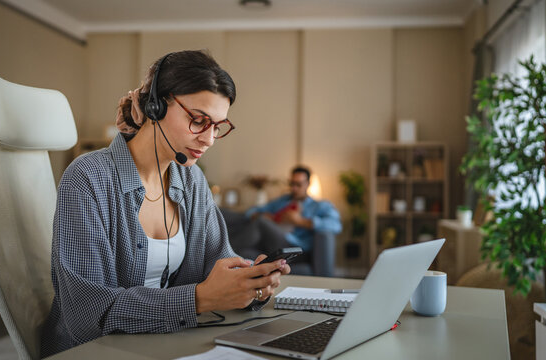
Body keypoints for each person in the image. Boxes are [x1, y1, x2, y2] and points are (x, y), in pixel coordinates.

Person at [41, 50, 291, 357]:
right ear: (156, 105)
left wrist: (250, 285)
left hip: (164, 345)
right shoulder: (88, 178)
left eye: (217, 126)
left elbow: (220, 263)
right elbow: (87, 314)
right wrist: (198, 299)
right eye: (199, 121)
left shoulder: (192, 182)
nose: (209, 139)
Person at [244, 166, 342, 255]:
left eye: (298, 185)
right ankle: (235, 253)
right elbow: (250, 211)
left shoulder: (319, 205)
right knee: (259, 221)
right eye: (292, 184)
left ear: (308, 184)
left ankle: (231, 252)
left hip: (295, 245)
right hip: (273, 238)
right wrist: (261, 215)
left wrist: (301, 221)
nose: (294, 188)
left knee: (261, 222)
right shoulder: (282, 201)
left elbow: (336, 225)